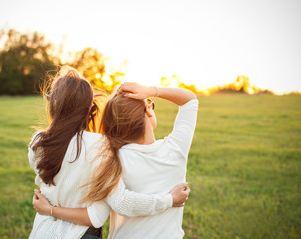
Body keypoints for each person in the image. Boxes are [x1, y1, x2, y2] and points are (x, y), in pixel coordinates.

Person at [28, 67, 190, 239]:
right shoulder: (100, 146)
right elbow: (97, 216)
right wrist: (169, 200)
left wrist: (49, 210)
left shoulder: (37, 142)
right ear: (89, 109)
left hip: (41, 232)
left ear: (54, 104)